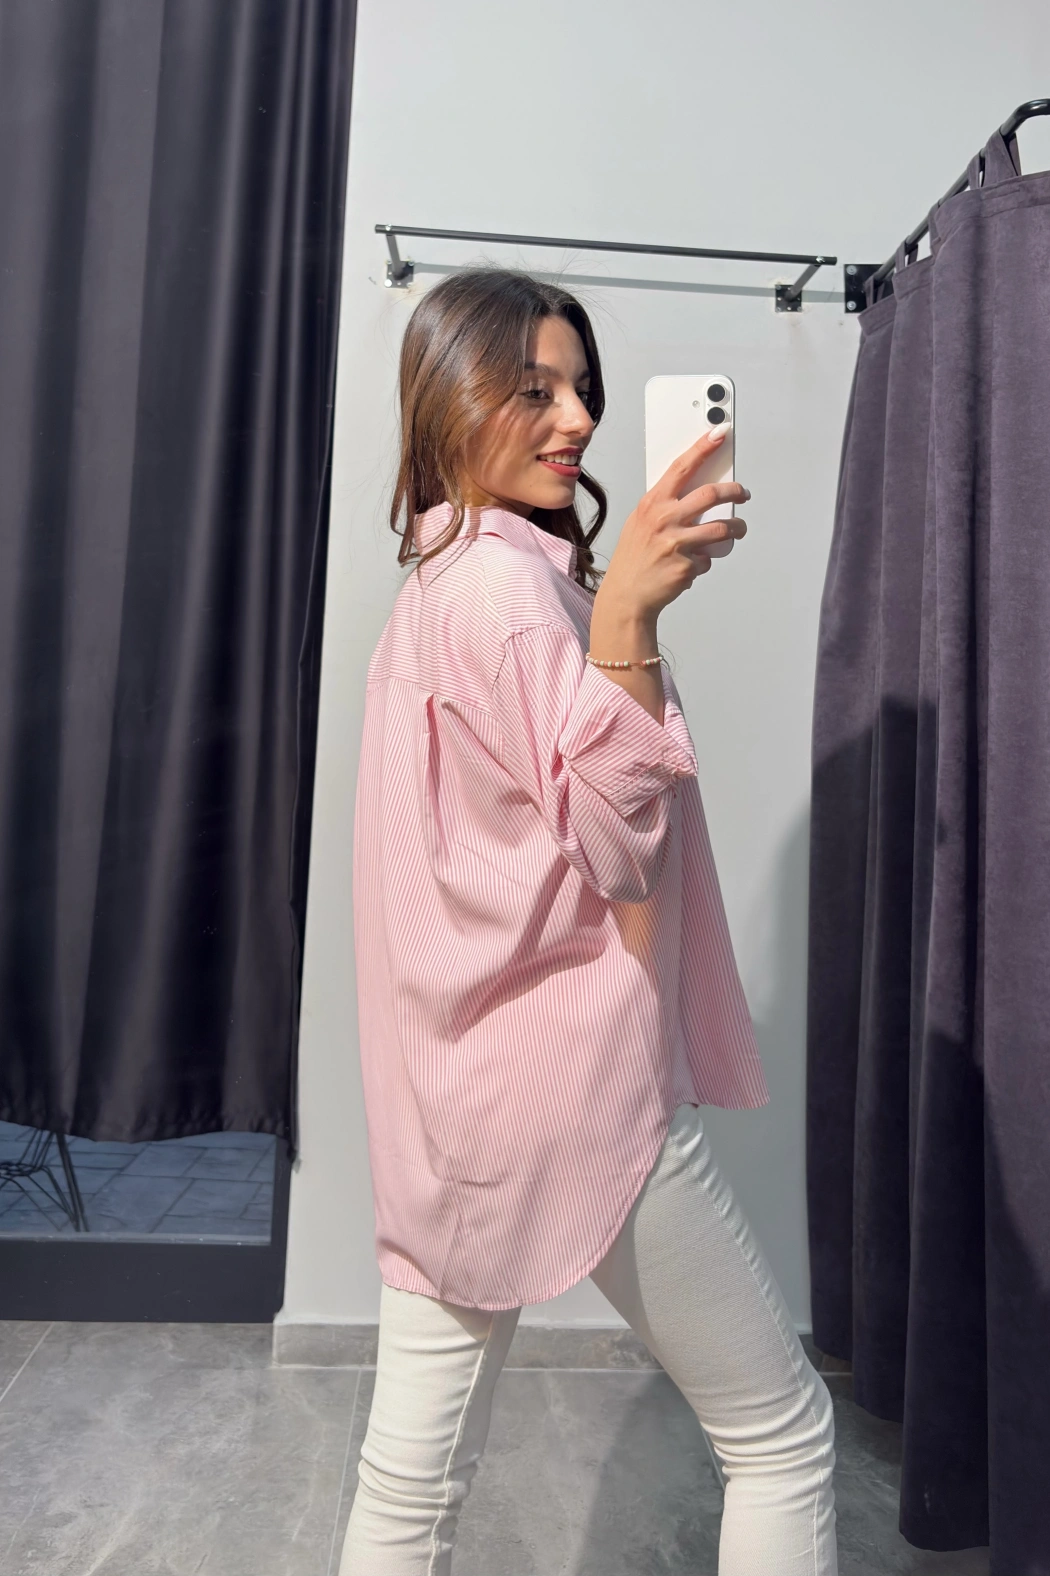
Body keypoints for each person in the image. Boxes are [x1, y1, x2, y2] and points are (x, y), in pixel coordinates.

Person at [340, 268, 838, 1575]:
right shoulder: (513, 598)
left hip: (455, 1099)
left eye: (580, 389)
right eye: (533, 390)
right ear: (450, 404)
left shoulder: (445, 581)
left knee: (411, 1483)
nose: (577, 420)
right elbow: (618, 852)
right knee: (780, 1436)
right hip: (570, 1087)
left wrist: (612, 610)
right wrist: (627, 617)